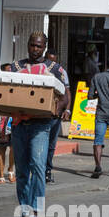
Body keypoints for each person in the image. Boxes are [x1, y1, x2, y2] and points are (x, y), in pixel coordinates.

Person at [6, 32, 70, 217]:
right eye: (33, 45)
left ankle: (37, 211)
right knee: (22, 170)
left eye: (39, 46)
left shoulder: (56, 69)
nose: (35, 49)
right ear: (28, 45)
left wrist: (57, 112)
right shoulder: (16, 67)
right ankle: (25, 210)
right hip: (19, 125)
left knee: (38, 167)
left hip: (41, 126)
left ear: (45, 47)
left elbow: (66, 94)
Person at [43, 51, 69, 184]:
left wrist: (66, 109)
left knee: (51, 145)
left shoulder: (60, 71)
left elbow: (66, 91)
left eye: (54, 61)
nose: (52, 64)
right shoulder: (39, 70)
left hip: (55, 114)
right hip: (42, 113)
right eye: (49, 60)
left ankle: (47, 171)